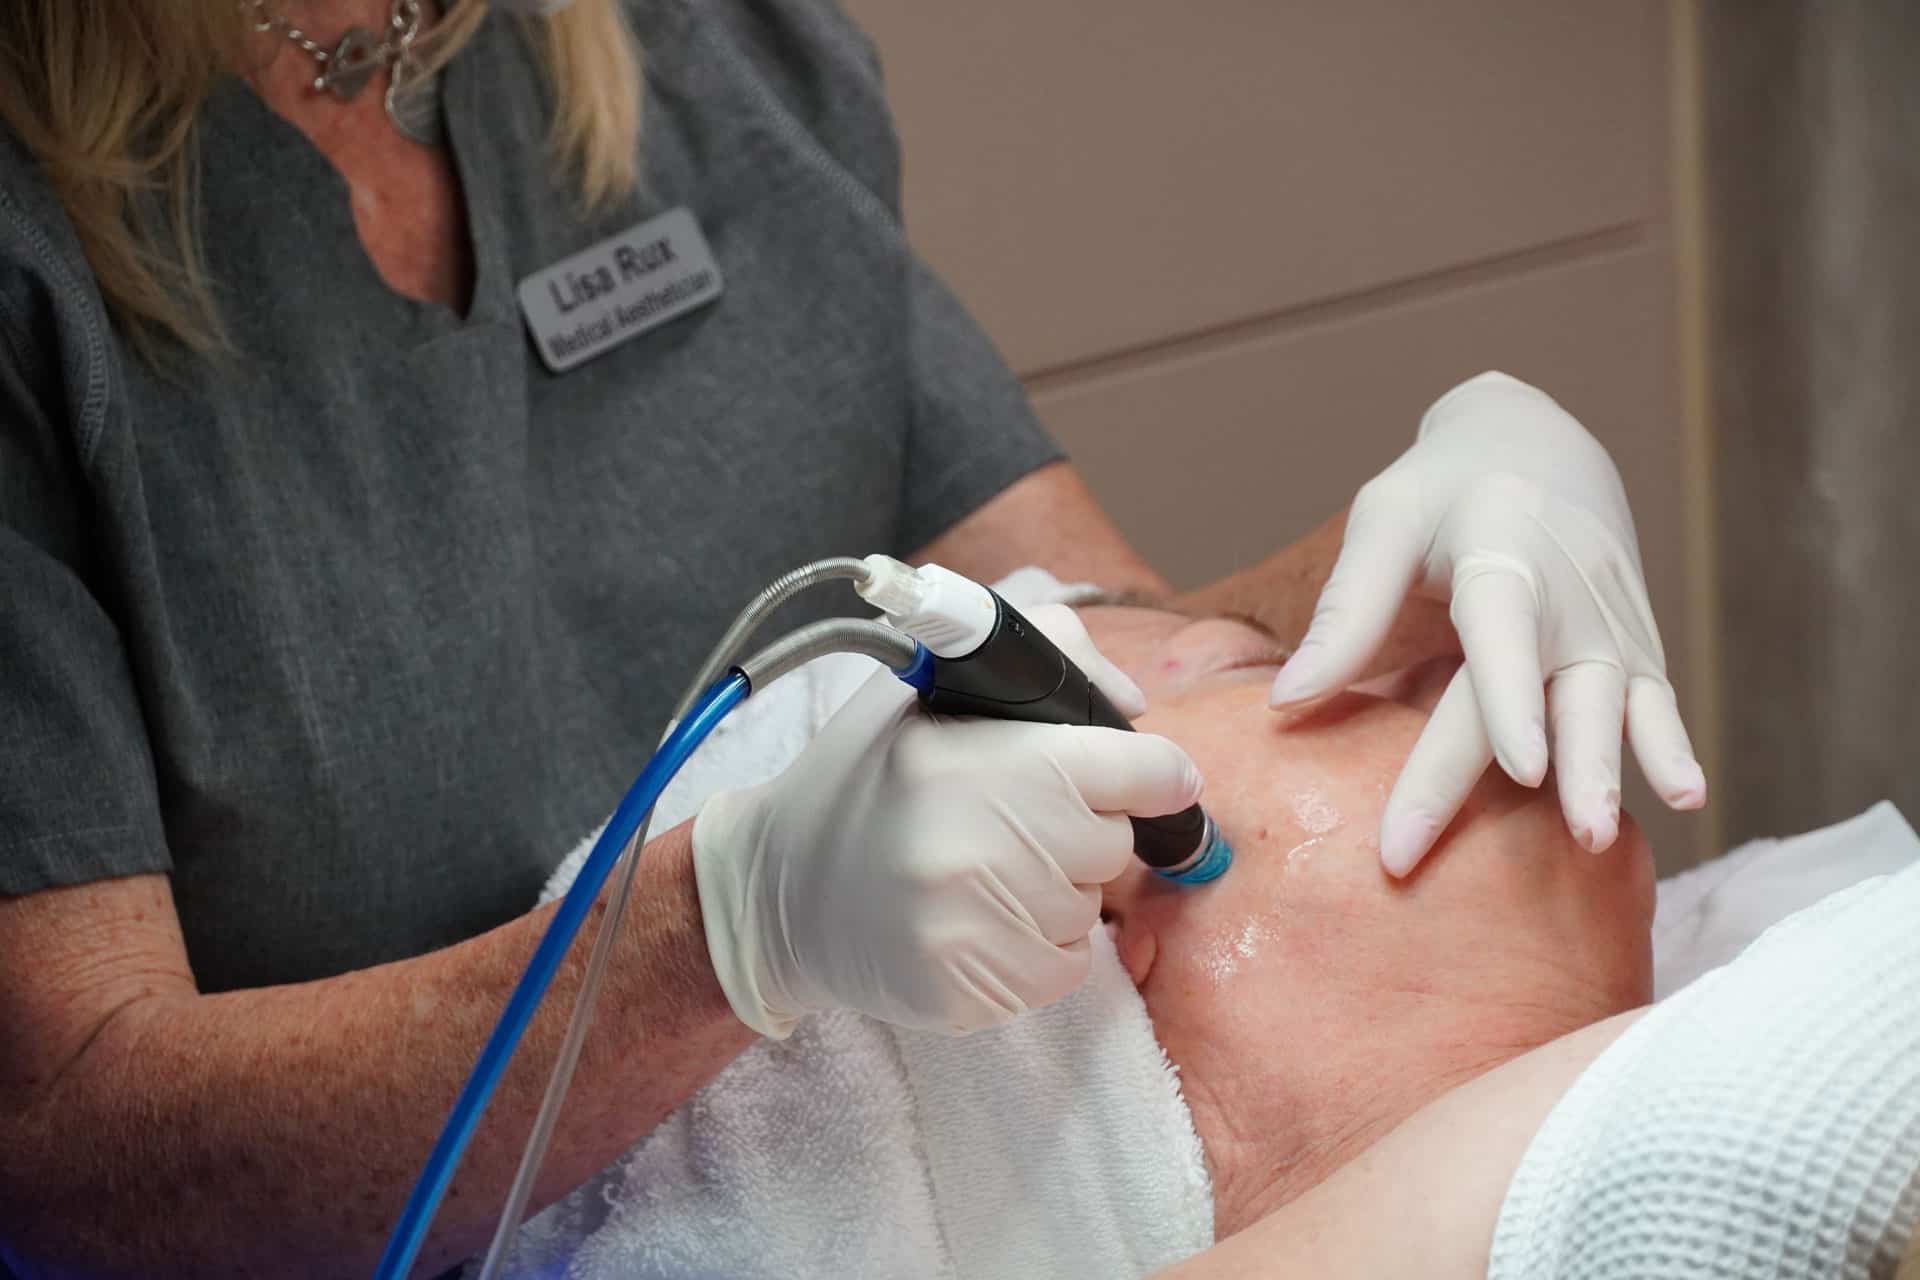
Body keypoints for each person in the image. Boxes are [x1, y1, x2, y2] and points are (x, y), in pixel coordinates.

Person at [0, 2, 1702, 1274]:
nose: (1209, 693)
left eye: (1267, 697)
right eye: (1263, 681)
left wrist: (1414, 544)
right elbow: (59, 1138)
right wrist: (709, 934)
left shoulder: (701, 50)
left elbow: (1095, 636)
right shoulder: (36, 248)